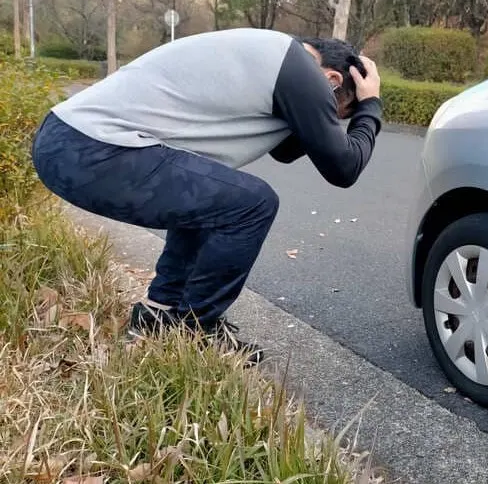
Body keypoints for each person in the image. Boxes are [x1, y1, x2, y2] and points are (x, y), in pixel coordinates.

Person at [31, 28, 383, 364]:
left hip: (69, 142)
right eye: (337, 113)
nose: (329, 119)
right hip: (92, 149)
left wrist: (330, 117)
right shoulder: (301, 71)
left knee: (215, 196)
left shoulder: (275, 57)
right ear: (332, 80)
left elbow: (286, 151)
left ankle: (160, 314)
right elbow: (344, 168)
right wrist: (370, 106)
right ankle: (196, 330)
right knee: (253, 204)